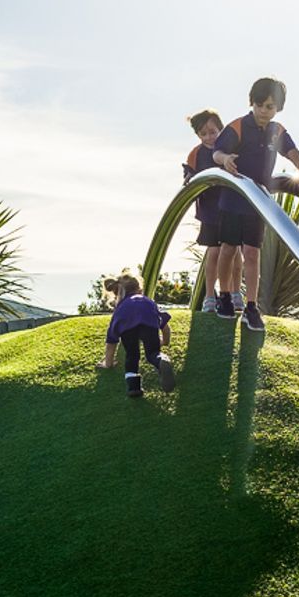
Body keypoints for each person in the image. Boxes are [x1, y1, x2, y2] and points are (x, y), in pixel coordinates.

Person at [212, 76, 299, 332]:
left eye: (270, 107)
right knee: (228, 248)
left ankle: (251, 306)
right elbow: (216, 152)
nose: (264, 111)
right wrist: (225, 159)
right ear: (252, 103)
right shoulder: (238, 126)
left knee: (252, 252)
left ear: (278, 108)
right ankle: (224, 295)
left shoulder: (277, 130)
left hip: (257, 200)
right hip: (234, 195)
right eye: (260, 105)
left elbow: (291, 152)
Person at [97, 271, 176, 399]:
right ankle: (161, 360)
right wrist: (165, 341)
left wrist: (108, 363)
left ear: (116, 293)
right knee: (152, 353)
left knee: (132, 356)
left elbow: (111, 341)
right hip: (149, 326)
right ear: (139, 289)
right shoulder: (147, 302)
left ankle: (134, 388)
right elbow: (164, 325)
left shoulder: (120, 310)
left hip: (128, 331)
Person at [183, 110, 230, 314]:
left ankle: (230, 293)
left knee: (232, 251)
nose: (210, 137)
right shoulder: (196, 154)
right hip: (210, 210)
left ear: (221, 129)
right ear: (199, 136)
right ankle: (210, 295)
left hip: (231, 207)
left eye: (213, 131)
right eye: (204, 134)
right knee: (213, 251)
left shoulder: (229, 148)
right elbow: (189, 177)